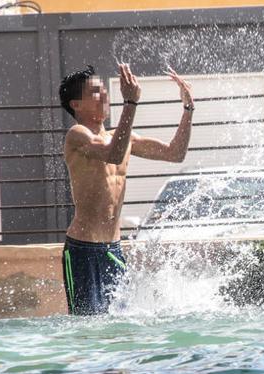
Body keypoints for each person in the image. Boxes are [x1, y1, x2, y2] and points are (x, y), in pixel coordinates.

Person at [59, 64, 194, 315]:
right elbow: (112, 154)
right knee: (85, 327)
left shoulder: (125, 138)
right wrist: (130, 103)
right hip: (82, 250)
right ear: (76, 104)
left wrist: (188, 109)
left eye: (104, 90)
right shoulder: (77, 135)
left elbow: (175, 153)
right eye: (95, 92)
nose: (105, 96)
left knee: (119, 323)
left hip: (113, 250)